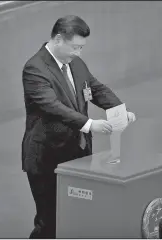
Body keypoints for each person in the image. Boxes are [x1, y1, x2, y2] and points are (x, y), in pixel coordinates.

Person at [21, 15, 136, 239]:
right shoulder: (35, 69)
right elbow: (51, 106)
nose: (79, 53)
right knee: (50, 223)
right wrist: (91, 124)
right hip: (47, 158)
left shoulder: (76, 62)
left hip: (77, 154)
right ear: (57, 39)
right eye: (75, 47)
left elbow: (96, 89)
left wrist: (120, 111)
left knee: (76, 218)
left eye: (82, 48)